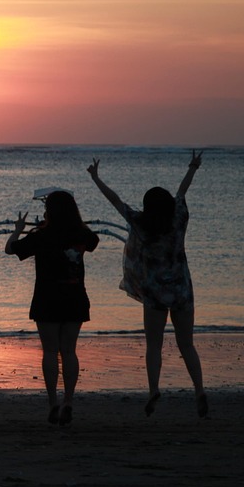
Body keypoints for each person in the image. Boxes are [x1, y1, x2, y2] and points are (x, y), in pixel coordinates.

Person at [89, 152, 207, 418]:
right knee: (186, 344)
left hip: (154, 294)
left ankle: (154, 390)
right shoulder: (178, 219)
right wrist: (192, 166)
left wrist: (97, 178)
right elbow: (181, 191)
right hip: (181, 291)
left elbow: (115, 200)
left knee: (154, 345)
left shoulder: (140, 222)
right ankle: (199, 389)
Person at [4, 190, 100, 426]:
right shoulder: (80, 233)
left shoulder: (41, 235)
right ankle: (68, 401)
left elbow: (11, 248)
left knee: (49, 351)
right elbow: (93, 241)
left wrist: (18, 228)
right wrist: (78, 222)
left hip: (47, 297)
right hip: (75, 296)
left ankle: (52, 403)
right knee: (69, 350)